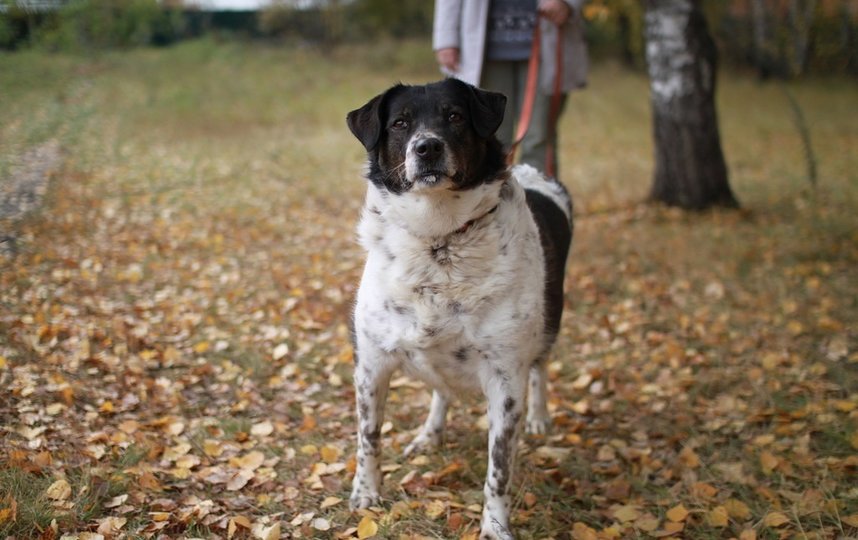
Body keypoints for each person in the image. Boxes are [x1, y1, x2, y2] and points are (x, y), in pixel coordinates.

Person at [433, 0, 588, 177]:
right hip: (484, 47)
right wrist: (446, 36)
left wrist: (567, 2)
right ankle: (494, 201)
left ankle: (539, 200)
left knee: (539, 137)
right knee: (491, 137)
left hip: (545, 37)